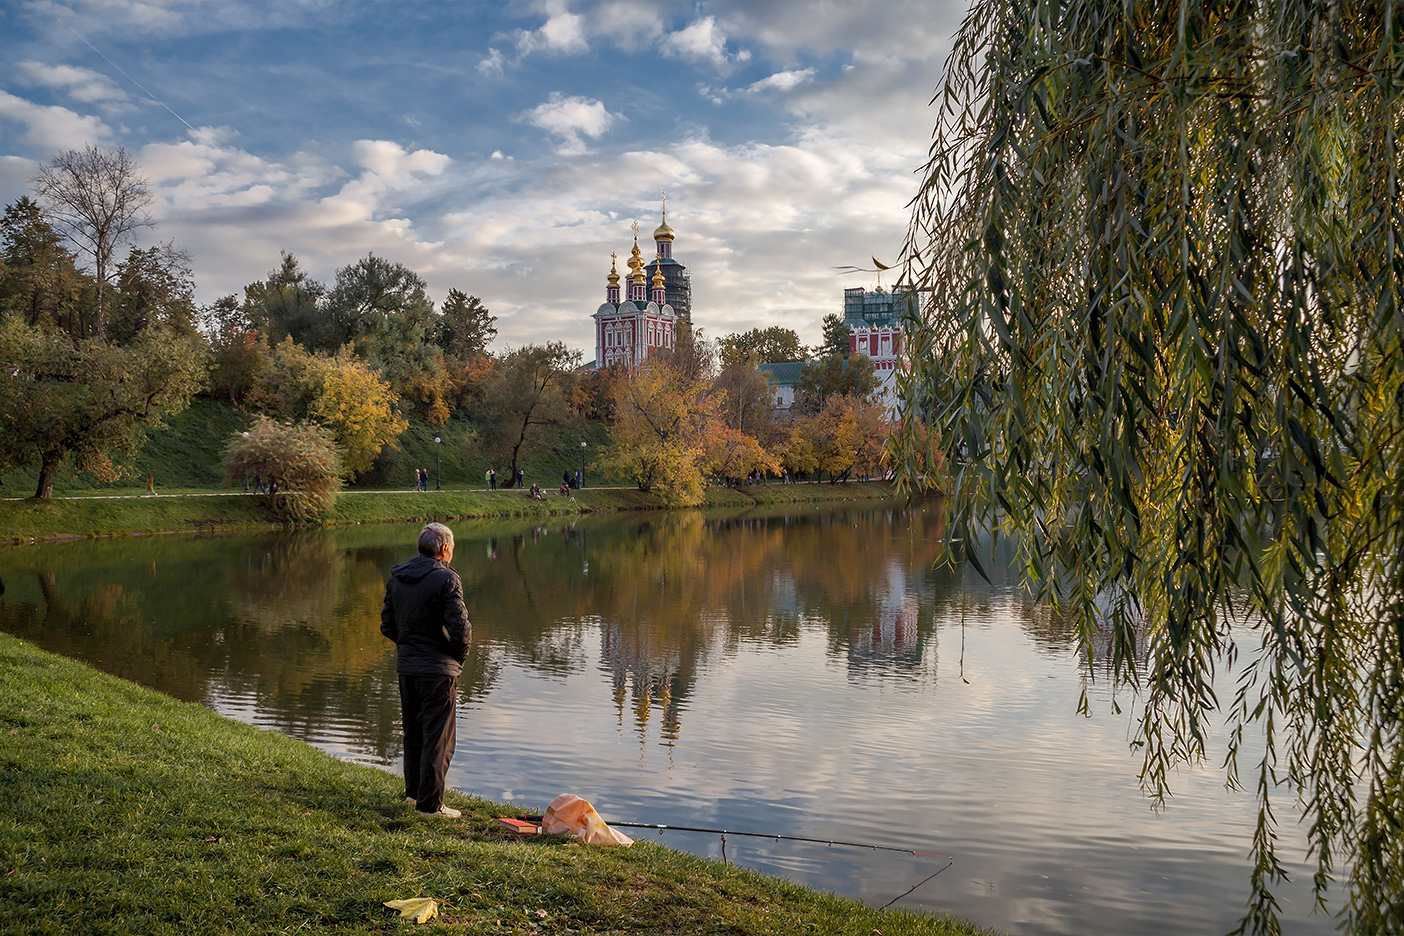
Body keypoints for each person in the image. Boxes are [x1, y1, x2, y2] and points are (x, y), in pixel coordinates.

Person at [380, 522, 470, 818]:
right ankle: (430, 806)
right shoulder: (446, 579)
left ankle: (413, 794)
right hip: (437, 671)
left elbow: (388, 626)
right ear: (444, 548)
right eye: (452, 548)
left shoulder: (397, 578)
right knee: (438, 738)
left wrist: (409, 646)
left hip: (407, 667)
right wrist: (455, 658)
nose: (452, 552)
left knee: (414, 732)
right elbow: (461, 631)